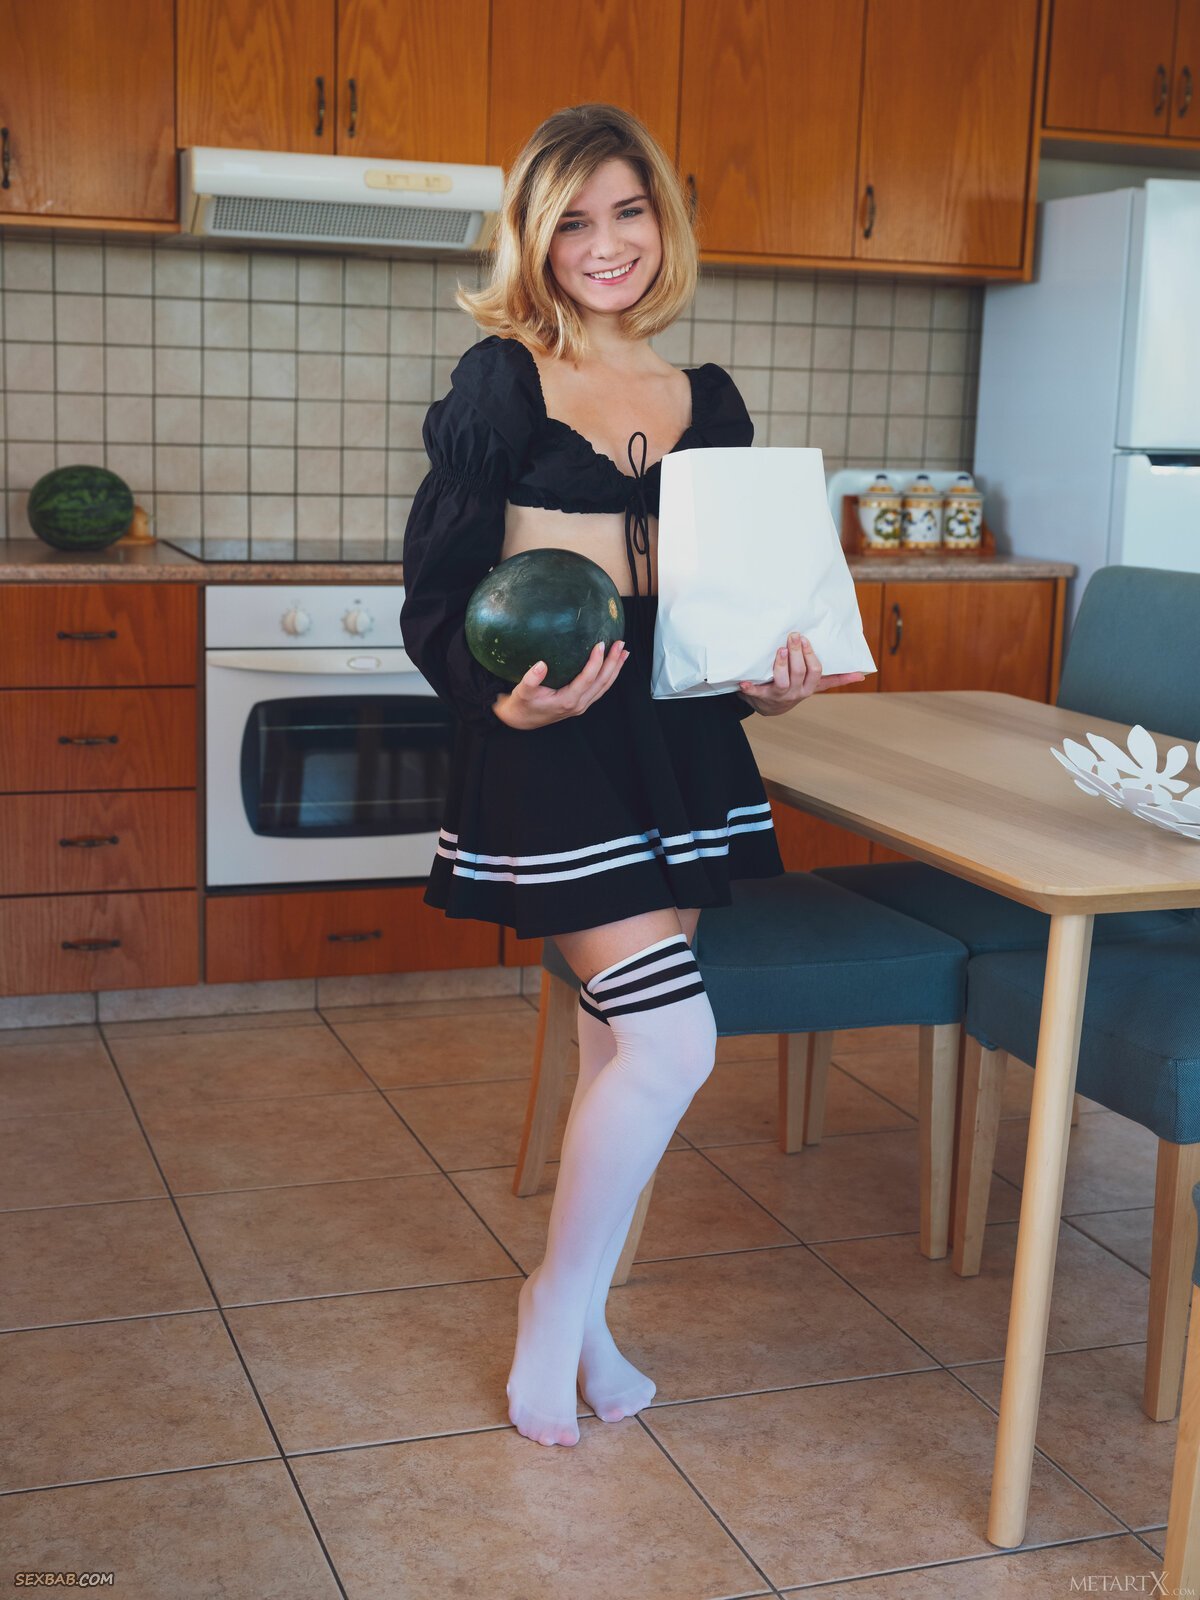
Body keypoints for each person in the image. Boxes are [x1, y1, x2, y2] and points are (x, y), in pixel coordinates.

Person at [400, 103, 864, 1448]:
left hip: (680, 742)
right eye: (573, 222)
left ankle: (590, 1321)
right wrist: (504, 700)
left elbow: (725, 602)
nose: (605, 244)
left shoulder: (709, 399)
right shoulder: (502, 382)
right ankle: (553, 1303)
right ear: (534, 242)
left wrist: (768, 677)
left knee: (620, 1042)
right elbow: (436, 589)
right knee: (673, 1038)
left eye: (628, 211)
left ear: (664, 221)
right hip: (554, 742)